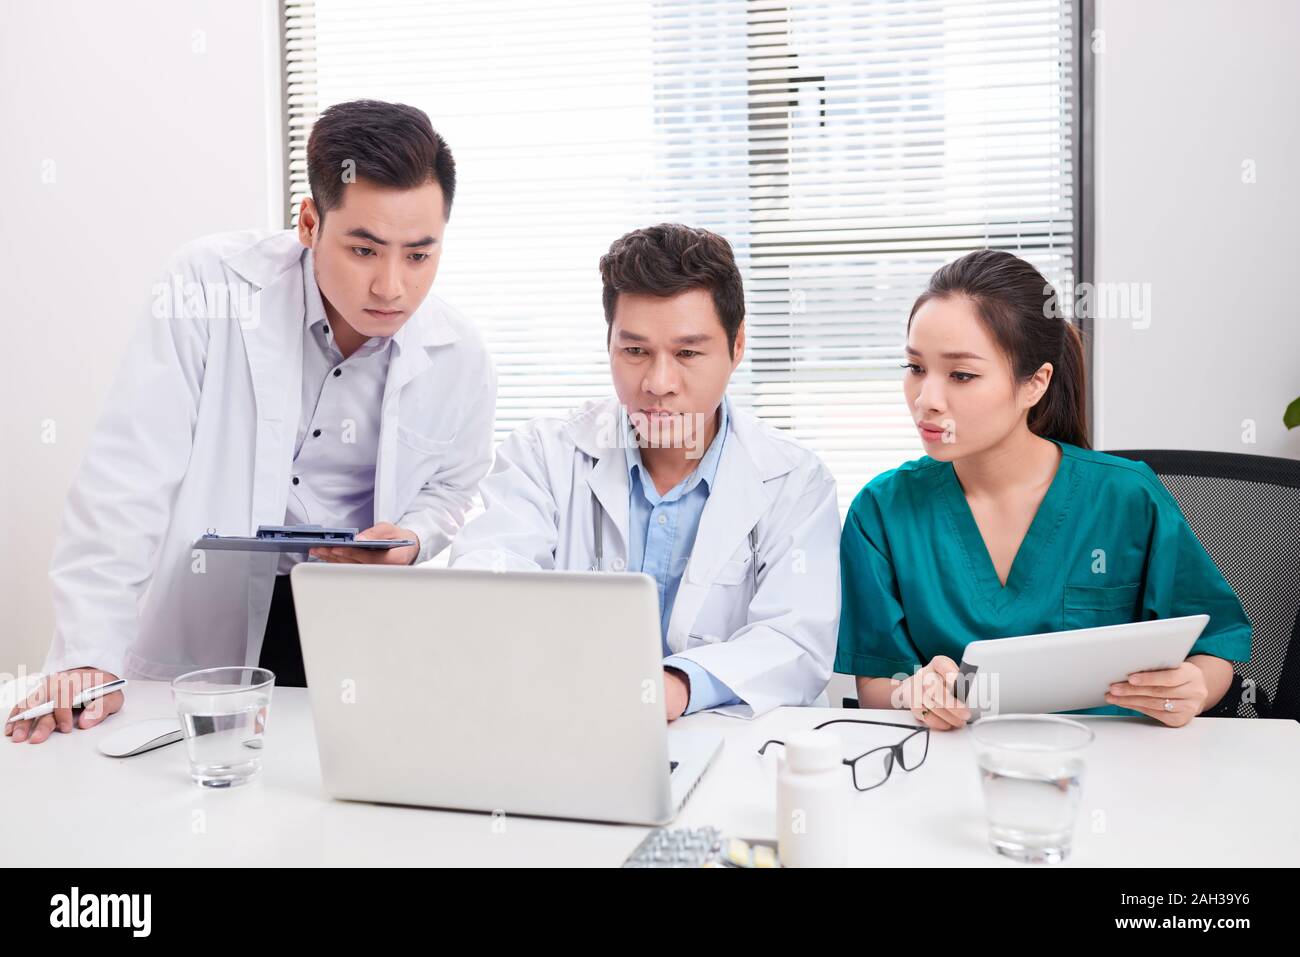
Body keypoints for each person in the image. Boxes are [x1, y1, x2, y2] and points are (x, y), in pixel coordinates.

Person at [7, 100, 496, 744]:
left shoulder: (459, 355)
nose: (391, 287)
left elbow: (453, 491)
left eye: (418, 255)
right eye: (364, 249)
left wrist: (412, 536)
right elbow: (127, 476)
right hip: (203, 611)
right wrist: (87, 653)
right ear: (308, 222)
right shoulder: (210, 286)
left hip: (341, 622)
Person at [835, 248, 1251, 730]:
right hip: (949, 769)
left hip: (1115, 770)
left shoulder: (1127, 498)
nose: (926, 400)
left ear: (1035, 383)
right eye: (915, 368)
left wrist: (1194, 687)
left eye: (962, 375)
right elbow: (877, 686)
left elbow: (1215, 646)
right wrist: (914, 691)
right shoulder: (882, 511)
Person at [450, 224, 841, 719]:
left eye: (687, 353)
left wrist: (675, 686)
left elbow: (795, 643)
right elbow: (485, 585)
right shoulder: (543, 456)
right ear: (610, 342)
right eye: (635, 351)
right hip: (564, 724)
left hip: (725, 741)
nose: (658, 383)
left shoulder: (794, 481)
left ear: (736, 346)